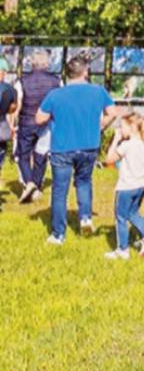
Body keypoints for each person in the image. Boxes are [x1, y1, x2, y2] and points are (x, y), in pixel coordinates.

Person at [36, 56, 124, 243]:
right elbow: (113, 113)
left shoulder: (56, 94)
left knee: (60, 190)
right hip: (89, 145)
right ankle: (85, 218)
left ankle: (58, 234)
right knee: (84, 182)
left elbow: (39, 118)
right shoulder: (98, 91)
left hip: (62, 147)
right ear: (85, 72)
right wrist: (101, 125)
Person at [105, 114, 144, 259]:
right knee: (133, 213)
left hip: (126, 186)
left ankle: (122, 249)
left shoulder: (126, 145)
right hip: (142, 185)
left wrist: (116, 139)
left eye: (122, 127)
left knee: (121, 217)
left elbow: (109, 159)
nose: (120, 130)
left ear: (131, 127)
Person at [15, 50, 61, 204]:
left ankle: (29, 183)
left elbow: (18, 104)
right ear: (47, 64)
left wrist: (14, 122)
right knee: (41, 155)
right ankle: (36, 184)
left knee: (23, 155)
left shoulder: (21, 81)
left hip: (26, 123)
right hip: (46, 123)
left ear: (32, 64)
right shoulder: (57, 81)